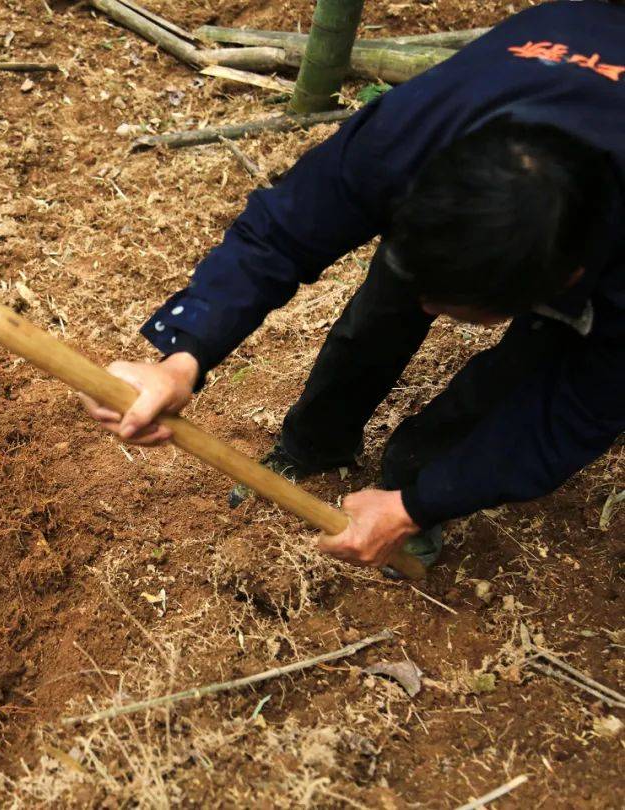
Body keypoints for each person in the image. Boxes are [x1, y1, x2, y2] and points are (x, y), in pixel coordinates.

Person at [80, 0, 625, 576]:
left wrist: (418, 504)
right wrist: (182, 357)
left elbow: (569, 415)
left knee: (529, 370)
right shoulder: (407, 134)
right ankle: (314, 443)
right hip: (548, 53)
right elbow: (279, 235)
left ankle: (414, 473)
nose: (428, 311)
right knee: (380, 312)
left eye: (450, 306)